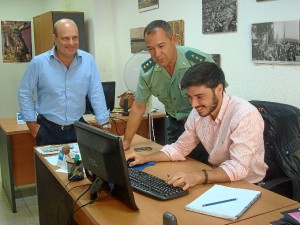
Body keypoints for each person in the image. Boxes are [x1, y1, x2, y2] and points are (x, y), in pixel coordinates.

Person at [126, 62, 268, 190]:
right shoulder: (198, 113)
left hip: (248, 185)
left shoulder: (244, 115)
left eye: (200, 96)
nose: (194, 105)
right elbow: (180, 148)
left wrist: (197, 177)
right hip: (217, 178)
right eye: (190, 97)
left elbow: (238, 168)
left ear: (219, 88)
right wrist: (145, 158)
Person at [122, 20, 216, 162]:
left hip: (204, 125)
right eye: (150, 48)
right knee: (175, 168)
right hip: (175, 125)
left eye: (161, 46)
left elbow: (218, 99)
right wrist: (127, 141)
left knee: (204, 168)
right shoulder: (148, 71)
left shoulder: (199, 62)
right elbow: (138, 106)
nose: (157, 54)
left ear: (174, 40)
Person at [18, 18, 111, 146]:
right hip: (48, 129)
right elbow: (25, 92)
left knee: (81, 166)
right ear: (54, 38)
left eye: (75, 38)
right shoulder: (38, 62)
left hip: (78, 128)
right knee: (48, 166)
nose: (71, 43)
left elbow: (96, 92)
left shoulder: (88, 60)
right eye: (65, 38)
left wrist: (104, 123)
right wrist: (32, 125)